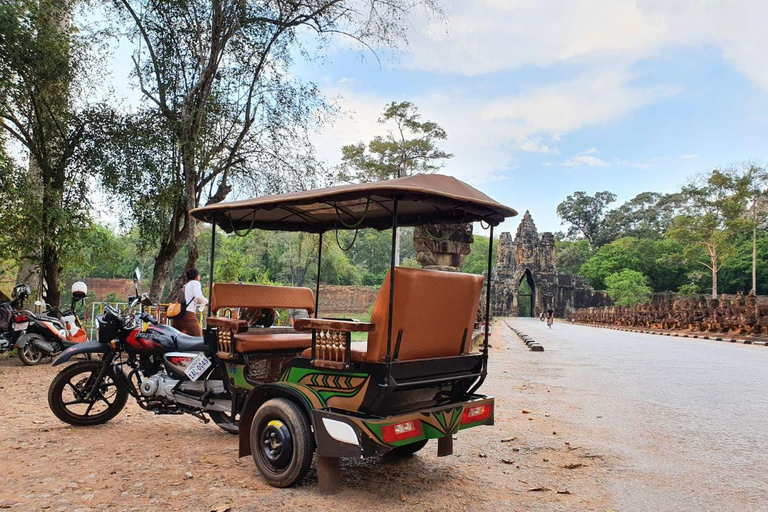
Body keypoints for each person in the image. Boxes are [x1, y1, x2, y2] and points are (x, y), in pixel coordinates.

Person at [171, 268, 208, 336]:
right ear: (197, 276)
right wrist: (206, 302)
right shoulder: (195, 283)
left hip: (178, 314)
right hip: (188, 314)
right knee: (198, 336)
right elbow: (198, 296)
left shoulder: (185, 286)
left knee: (175, 336)